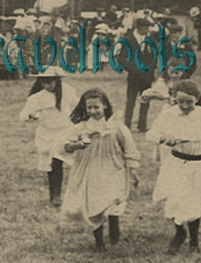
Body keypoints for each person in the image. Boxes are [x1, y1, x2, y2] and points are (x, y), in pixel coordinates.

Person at [147, 79, 201, 254]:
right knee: (175, 199)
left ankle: (194, 240)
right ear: (175, 99)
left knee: (195, 202)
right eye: (180, 102)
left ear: (197, 98)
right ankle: (180, 232)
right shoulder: (169, 115)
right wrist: (163, 138)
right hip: (176, 164)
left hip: (200, 166)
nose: (185, 106)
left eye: (189, 102)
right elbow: (151, 133)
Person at [59, 89, 141, 252]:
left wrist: (133, 170)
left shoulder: (116, 126)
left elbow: (129, 148)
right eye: (89, 108)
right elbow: (64, 146)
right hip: (90, 170)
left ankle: (114, 227)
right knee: (93, 203)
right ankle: (99, 242)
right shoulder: (81, 128)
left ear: (105, 106)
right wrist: (77, 145)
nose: (93, 111)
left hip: (113, 168)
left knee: (114, 199)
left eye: (96, 107)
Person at [19, 67, 67, 207]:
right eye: (43, 82)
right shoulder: (37, 97)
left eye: (50, 82)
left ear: (57, 80)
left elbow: (77, 106)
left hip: (64, 131)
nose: (47, 85)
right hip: (47, 134)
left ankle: (56, 195)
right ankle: (54, 194)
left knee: (57, 161)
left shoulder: (68, 92)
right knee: (50, 164)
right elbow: (24, 114)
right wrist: (30, 115)